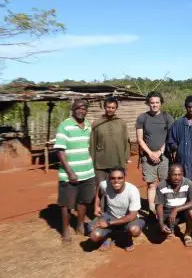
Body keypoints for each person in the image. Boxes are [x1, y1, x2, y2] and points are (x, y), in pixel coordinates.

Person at [55, 99, 96, 243]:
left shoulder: (89, 125)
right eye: (78, 108)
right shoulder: (64, 126)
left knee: (84, 201)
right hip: (69, 174)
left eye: (84, 108)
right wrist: (70, 172)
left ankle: (80, 225)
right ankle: (65, 230)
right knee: (67, 204)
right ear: (72, 109)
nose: (81, 110)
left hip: (87, 171)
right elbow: (60, 151)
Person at [136, 91, 174, 215]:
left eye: (157, 102)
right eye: (152, 102)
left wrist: (160, 152)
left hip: (164, 156)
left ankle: (166, 207)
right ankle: (152, 209)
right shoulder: (142, 118)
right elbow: (140, 139)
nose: (154, 105)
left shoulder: (167, 117)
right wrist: (150, 153)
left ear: (161, 103)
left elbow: (170, 137)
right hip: (147, 157)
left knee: (165, 182)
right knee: (151, 184)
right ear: (148, 103)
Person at [89, 167, 145, 251]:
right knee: (94, 236)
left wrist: (108, 223)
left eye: (120, 178)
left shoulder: (133, 190)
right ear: (109, 178)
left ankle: (127, 238)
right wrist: (96, 206)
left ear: (124, 178)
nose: (116, 181)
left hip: (128, 217)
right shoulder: (104, 185)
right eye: (113, 178)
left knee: (135, 230)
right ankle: (108, 236)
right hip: (110, 215)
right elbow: (99, 190)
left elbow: (132, 216)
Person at [155, 164, 192, 247]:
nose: (177, 178)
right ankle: (169, 228)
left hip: (182, 211)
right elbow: (159, 205)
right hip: (167, 212)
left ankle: (187, 235)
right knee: (163, 230)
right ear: (169, 174)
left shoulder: (188, 183)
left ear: (183, 174)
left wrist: (176, 210)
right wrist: (161, 223)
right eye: (174, 175)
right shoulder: (162, 185)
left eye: (179, 175)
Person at [89, 96, 130, 184]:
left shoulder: (121, 123)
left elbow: (126, 142)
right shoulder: (96, 123)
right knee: (101, 188)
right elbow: (92, 144)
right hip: (100, 163)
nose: (110, 109)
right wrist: (91, 162)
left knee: (115, 187)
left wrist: (125, 160)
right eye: (108, 107)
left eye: (113, 108)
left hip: (118, 161)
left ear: (116, 108)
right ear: (104, 107)